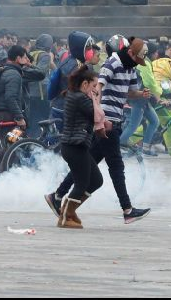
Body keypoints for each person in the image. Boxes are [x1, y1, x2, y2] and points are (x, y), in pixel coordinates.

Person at [45, 38, 152, 224]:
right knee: (116, 166)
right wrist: (99, 117)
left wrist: (140, 94)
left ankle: (57, 195)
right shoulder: (112, 63)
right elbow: (98, 88)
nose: (137, 63)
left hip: (115, 120)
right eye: (137, 59)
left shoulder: (132, 67)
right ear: (130, 53)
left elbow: (129, 91)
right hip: (107, 120)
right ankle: (127, 209)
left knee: (90, 162)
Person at [53, 66, 106, 229]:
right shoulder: (81, 98)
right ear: (84, 84)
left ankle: (68, 209)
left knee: (96, 180)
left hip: (76, 145)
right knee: (82, 183)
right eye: (93, 86)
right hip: (75, 146)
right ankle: (66, 216)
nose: (95, 90)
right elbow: (97, 115)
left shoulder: (76, 96)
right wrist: (96, 97)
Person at [120, 41, 162, 156]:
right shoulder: (144, 63)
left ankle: (146, 148)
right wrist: (159, 95)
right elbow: (150, 82)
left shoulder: (140, 61)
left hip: (142, 98)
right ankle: (116, 146)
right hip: (139, 98)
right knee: (133, 126)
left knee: (154, 121)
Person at [28, 34, 56, 134]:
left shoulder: (30, 53)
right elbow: (41, 73)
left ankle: (31, 142)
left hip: (29, 92)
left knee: (32, 120)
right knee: (44, 119)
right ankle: (41, 143)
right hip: (41, 93)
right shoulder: (45, 55)